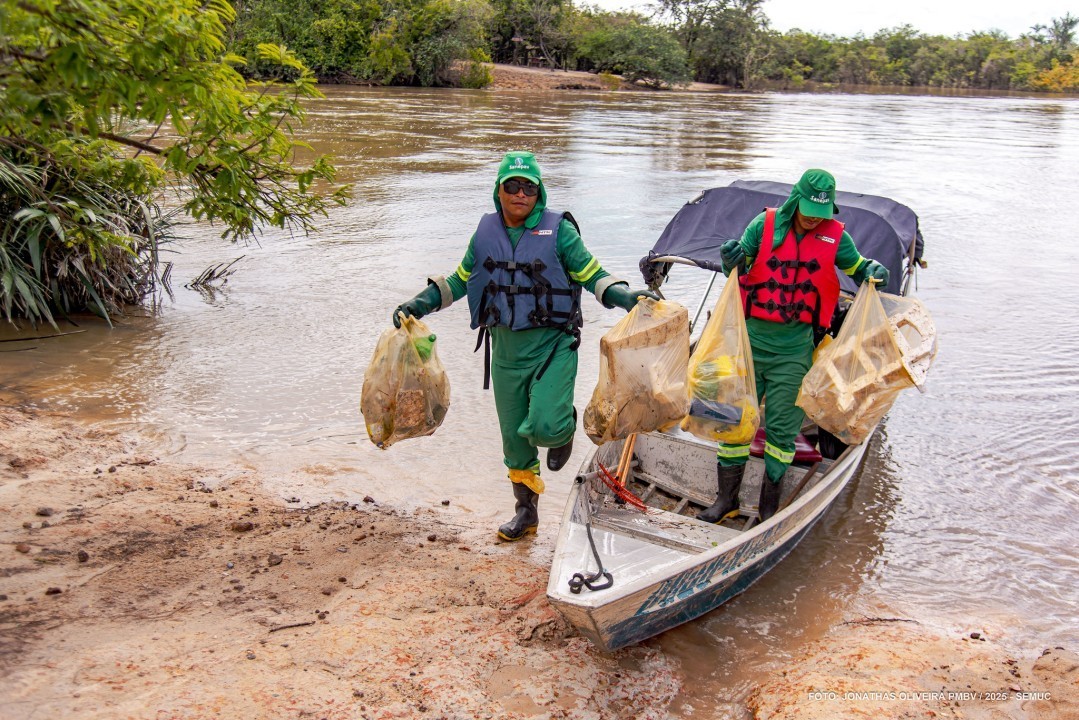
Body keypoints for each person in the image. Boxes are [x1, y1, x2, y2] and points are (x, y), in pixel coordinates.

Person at [392, 151, 656, 541]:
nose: (520, 194)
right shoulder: (484, 233)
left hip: (553, 346)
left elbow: (592, 274)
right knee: (515, 442)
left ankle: (563, 428)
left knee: (546, 426)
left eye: (528, 187)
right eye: (512, 186)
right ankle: (526, 513)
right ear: (498, 191)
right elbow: (460, 280)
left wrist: (626, 297)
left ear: (539, 192)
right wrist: (419, 304)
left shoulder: (560, 232)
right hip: (504, 352)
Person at [698, 169, 890, 524]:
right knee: (735, 421)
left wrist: (873, 270)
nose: (815, 218)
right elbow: (737, 267)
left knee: (782, 432)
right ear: (795, 200)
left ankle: (769, 509)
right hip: (749, 344)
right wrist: (730, 258)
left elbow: (860, 268)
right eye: (809, 210)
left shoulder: (837, 238)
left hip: (794, 350)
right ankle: (726, 501)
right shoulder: (763, 226)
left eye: (821, 212)